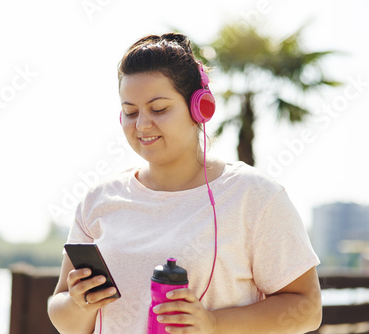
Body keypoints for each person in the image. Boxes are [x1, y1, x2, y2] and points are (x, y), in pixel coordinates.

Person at [48, 32, 322, 333]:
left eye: (159, 109)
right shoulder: (97, 201)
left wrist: (213, 323)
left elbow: (307, 309)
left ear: (199, 109)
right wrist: (78, 303)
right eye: (130, 111)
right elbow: (65, 319)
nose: (141, 125)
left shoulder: (254, 196)